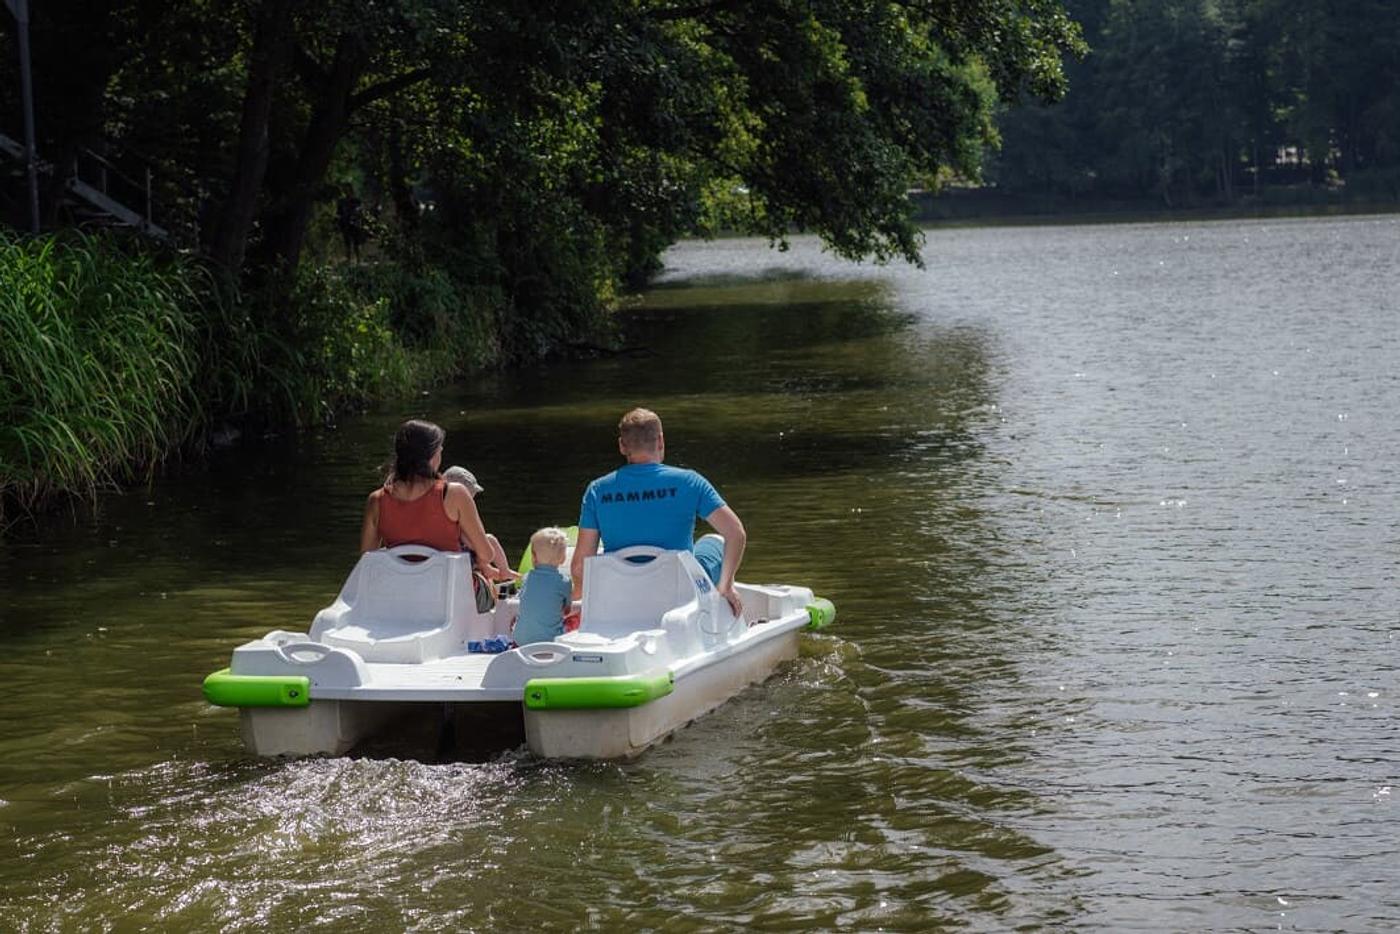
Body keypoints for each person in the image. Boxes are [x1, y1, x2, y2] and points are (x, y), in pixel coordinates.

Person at [570, 408, 746, 616]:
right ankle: (725, 589)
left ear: (622, 446)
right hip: (679, 593)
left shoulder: (597, 491)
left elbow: (580, 567)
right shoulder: (689, 482)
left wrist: (580, 601)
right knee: (715, 541)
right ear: (661, 441)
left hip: (622, 594)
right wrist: (725, 585)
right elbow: (736, 533)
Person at [359, 419, 506, 582]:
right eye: (440, 450)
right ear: (433, 456)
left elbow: (368, 560)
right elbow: (487, 554)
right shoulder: (454, 493)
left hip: (400, 593)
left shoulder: (376, 500)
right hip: (451, 596)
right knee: (488, 579)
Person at [442, 465, 518, 582]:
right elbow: (482, 550)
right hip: (459, 560)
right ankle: (503, 570)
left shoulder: (437, 509)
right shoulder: (460, 516)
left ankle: (487, 568)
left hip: (446, 559)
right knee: (489, 539)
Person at [513, 527, 573, 646]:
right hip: (551, 641)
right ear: (563, 558)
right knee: (574, 621)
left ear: (533, 557)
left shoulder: (526, 578)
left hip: (520, 639)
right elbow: (567, 609)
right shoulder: (564, 582)